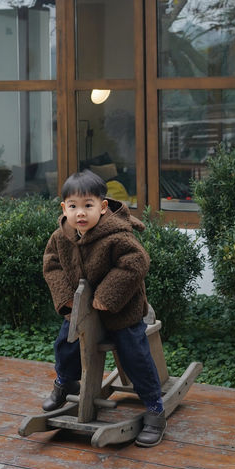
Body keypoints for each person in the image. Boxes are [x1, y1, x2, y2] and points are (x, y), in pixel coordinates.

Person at [42, 169, 166, 447]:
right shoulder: (61, 237)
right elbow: (52, 265)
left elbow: (136, 262)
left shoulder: (117, 235)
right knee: (66, 342)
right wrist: (67, 298)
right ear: (64, 208)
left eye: (88, 205)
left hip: (121, 311)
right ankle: (65, 381)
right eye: (73, 206)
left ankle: (155, 408)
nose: (81, 213)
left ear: (103, 206)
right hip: (82, 312)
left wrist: (108, 295)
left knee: (133, 351)